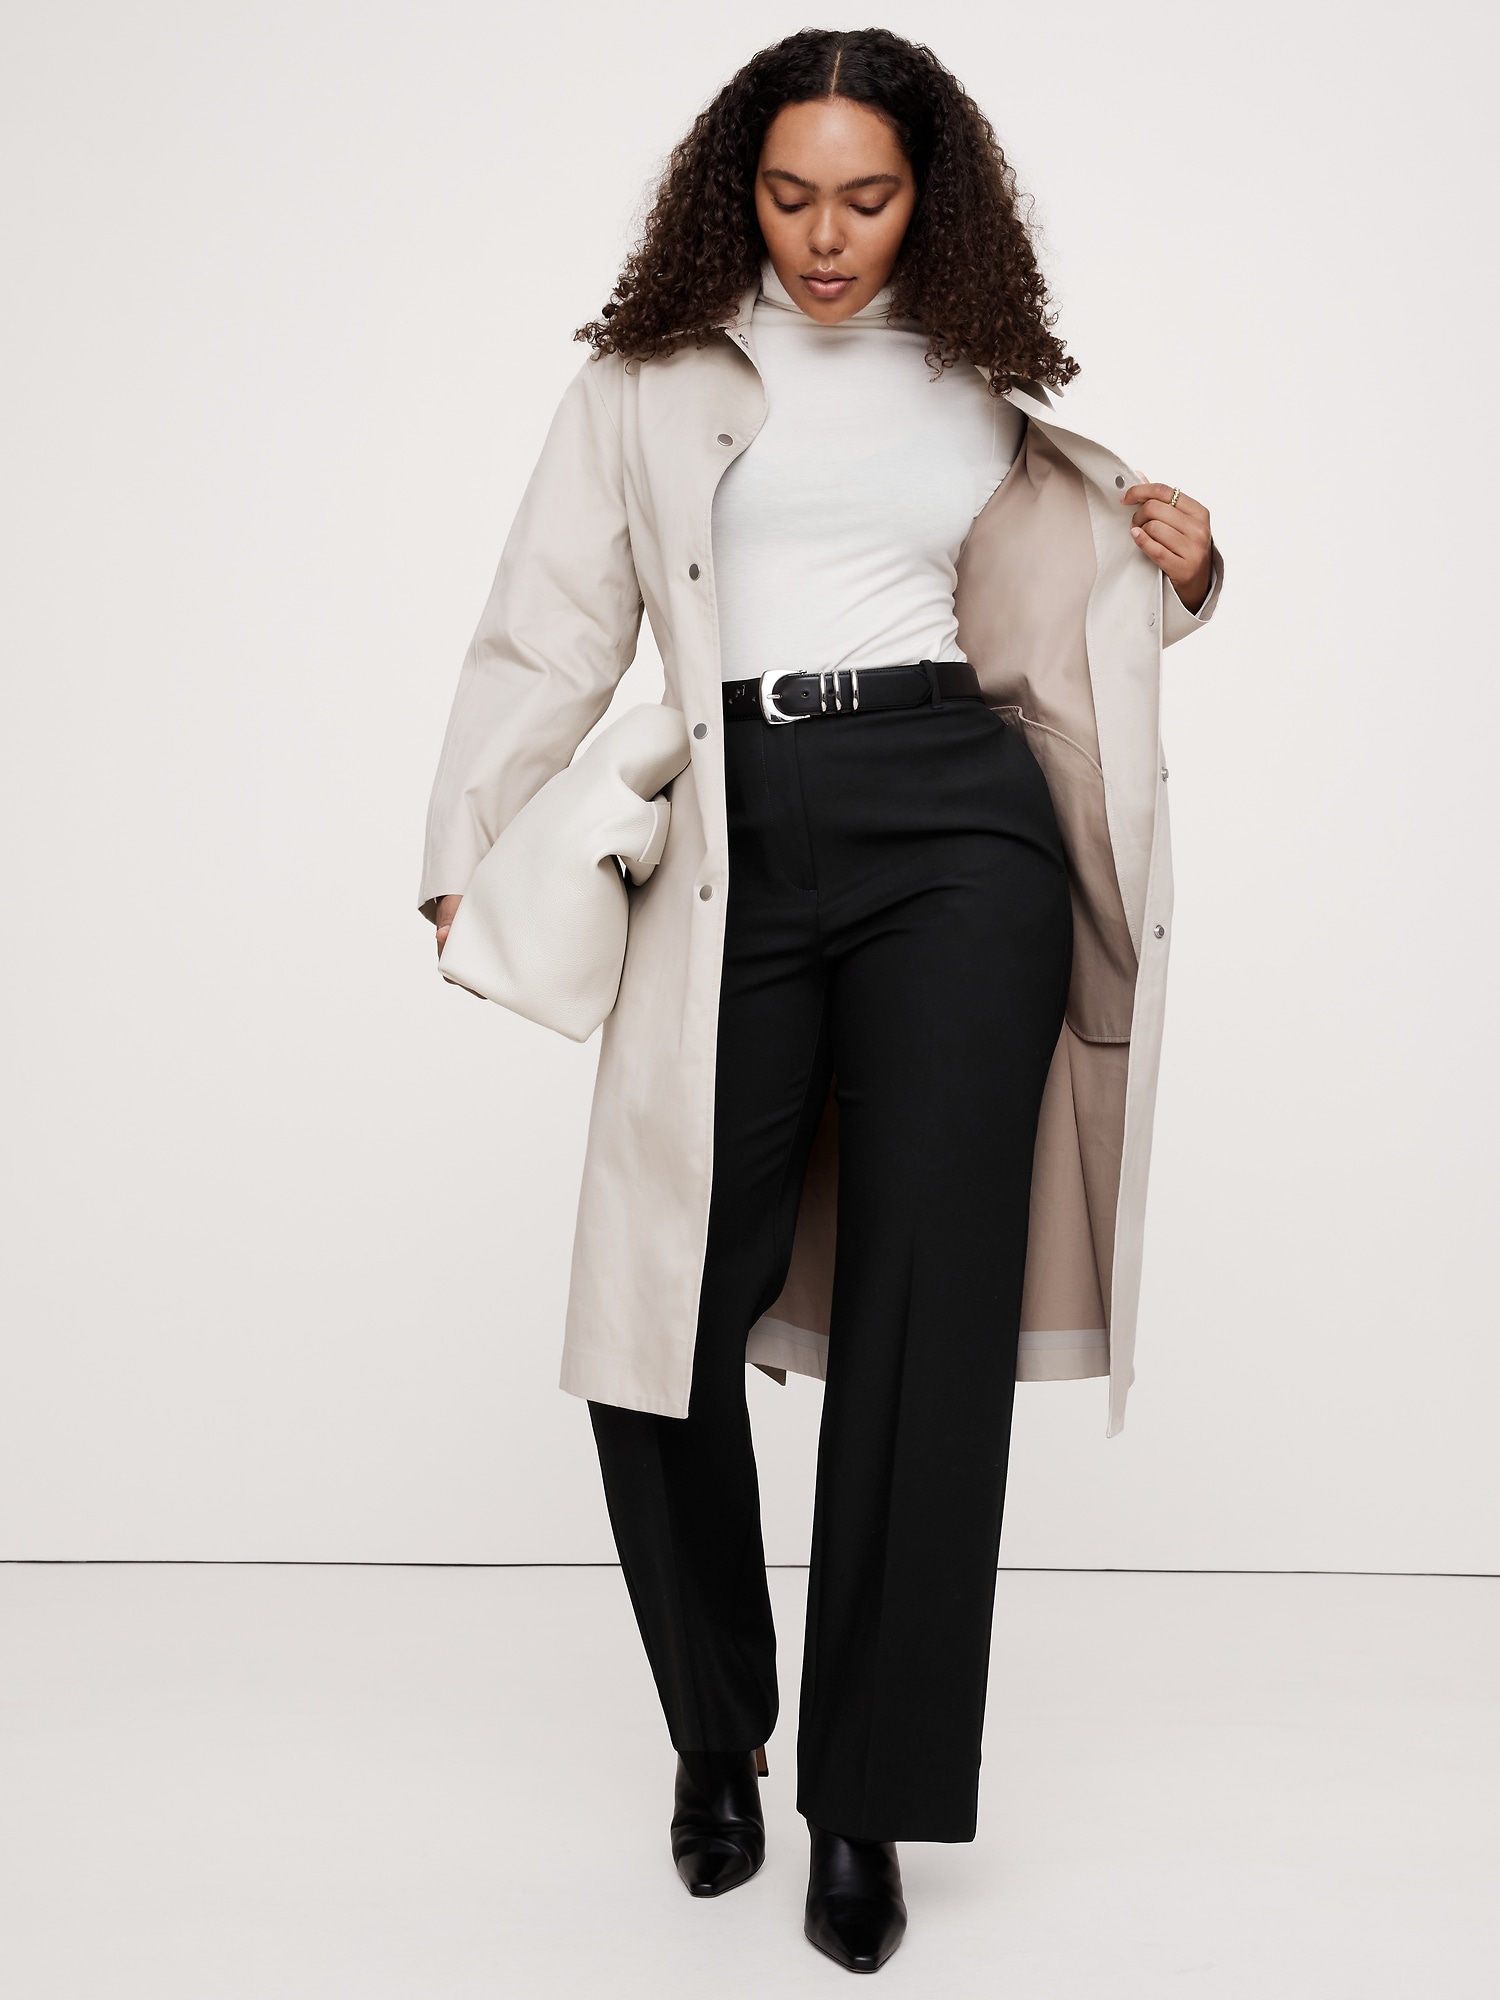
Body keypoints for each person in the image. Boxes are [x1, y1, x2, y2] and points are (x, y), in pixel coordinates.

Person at [419, 27, 1220, 1975]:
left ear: (930, 196)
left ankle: (864, 1803)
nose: (829, 235)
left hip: (960, 831)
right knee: (661, 1312)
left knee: (925, 1329)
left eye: (867, 196)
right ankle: (720, 1732)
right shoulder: (648, 380)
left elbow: (1085, 603)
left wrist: (1202, 570)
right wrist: (470, 836)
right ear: (740, 191)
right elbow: (548, 621)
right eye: (792, 196)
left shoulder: (981, 380)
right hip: (734, 834)